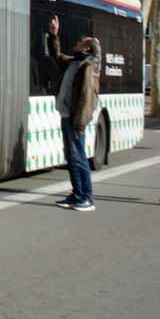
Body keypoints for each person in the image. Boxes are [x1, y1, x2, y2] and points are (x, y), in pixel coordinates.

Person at [48, 19, 101, 211]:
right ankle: (76, 193)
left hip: (74, 119)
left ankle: (86, 197)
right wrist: (54, 35)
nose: (75, 44)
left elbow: (87, 99)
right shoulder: (74, 63)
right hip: (66, 115)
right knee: (71, 156)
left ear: (86, 49)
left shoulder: (86, 69)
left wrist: (79, 124)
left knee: (78, 157)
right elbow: (56, 55)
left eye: (80, 43)